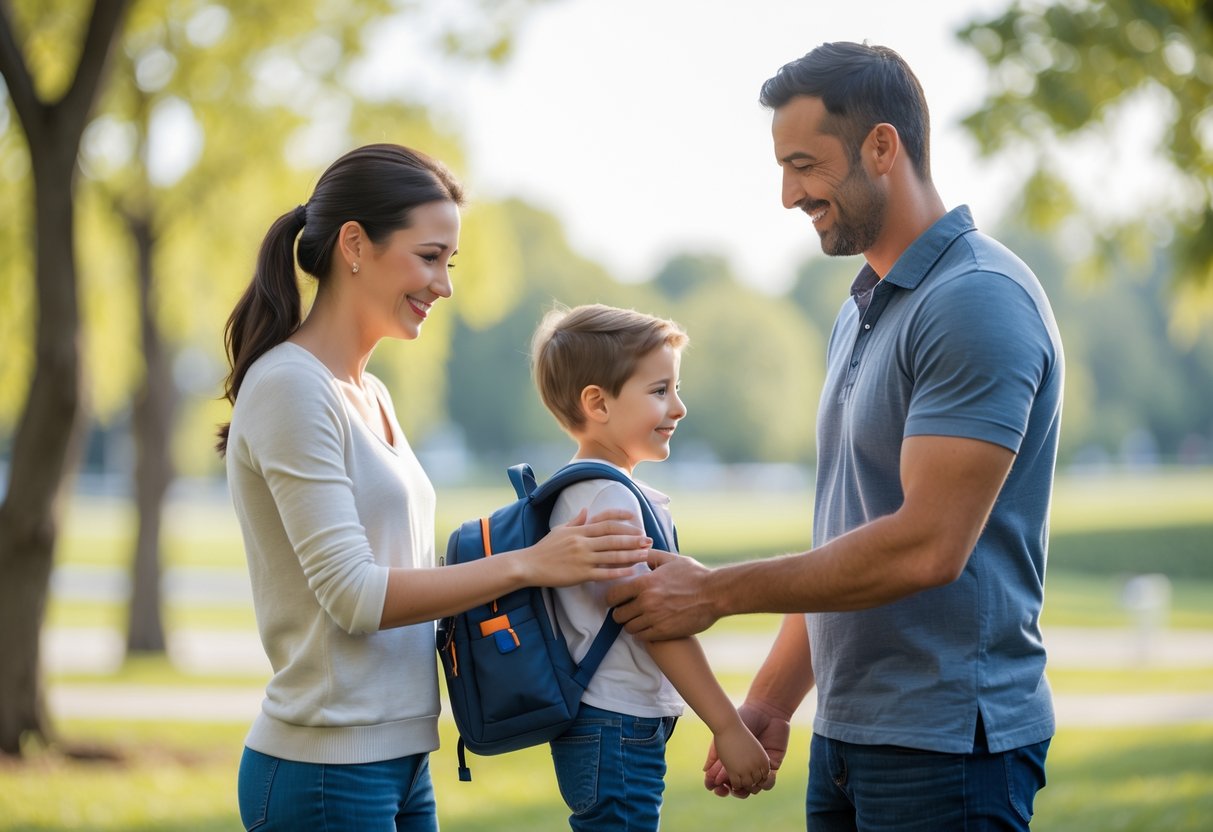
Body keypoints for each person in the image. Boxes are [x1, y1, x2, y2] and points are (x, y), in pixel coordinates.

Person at [606, 42, 1064, 831]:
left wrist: (715, 592)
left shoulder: (975, 301)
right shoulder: (859, 311)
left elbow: (925, 546)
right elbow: (846, 539)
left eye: (805, 165)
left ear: (881, 147)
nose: (788, 194)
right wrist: (774, 700)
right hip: (850, 737)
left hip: (949, 748)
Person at [216, 144, 651, 832]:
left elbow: (403, 567)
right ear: (354, 245)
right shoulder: (291, 388)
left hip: (401, 755)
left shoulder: (372, 393)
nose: (444, 285)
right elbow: (355, 596)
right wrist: (529, 564)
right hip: (327, 768)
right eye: (428, 257)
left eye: (449, 262)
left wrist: (532, 542)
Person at [530, 303, 770, 831]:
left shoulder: (594, 488)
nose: (679, 407)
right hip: (614, 725)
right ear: (597, 403)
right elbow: (656, 621)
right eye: (660, 391)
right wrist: (727, 725)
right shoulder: (606, 497)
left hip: (609, 724)